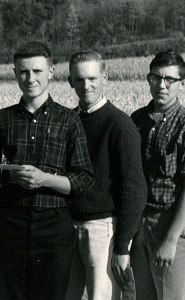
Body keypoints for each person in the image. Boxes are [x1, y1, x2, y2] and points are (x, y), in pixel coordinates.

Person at [0, 41, 94, 300]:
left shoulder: (69, 120)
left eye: (37, 71)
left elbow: (83, 180)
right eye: (24, 71)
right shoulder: (0, 119)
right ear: (14, 72)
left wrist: (44, 179)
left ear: (51, 72)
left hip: (54, 228)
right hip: (10, 225)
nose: (30, 78)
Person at [65, 50, 147, 300]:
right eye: (79, 80)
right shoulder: (68, 121)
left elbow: (134, 189)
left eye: (92, 78)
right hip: (67, 225)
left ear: (105, 78)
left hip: (102, 230)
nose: (85, 86)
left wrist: (122, 247)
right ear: (70, 81)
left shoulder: (120, 125)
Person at [130, 51, 185, 300]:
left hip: (170, 224)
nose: (161, 85)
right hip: (137, 223)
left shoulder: (184, 124)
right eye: (156, 78)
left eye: (169, 80)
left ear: (181, 84)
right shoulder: (137, 120)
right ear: (148, 79)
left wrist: (172, 239)